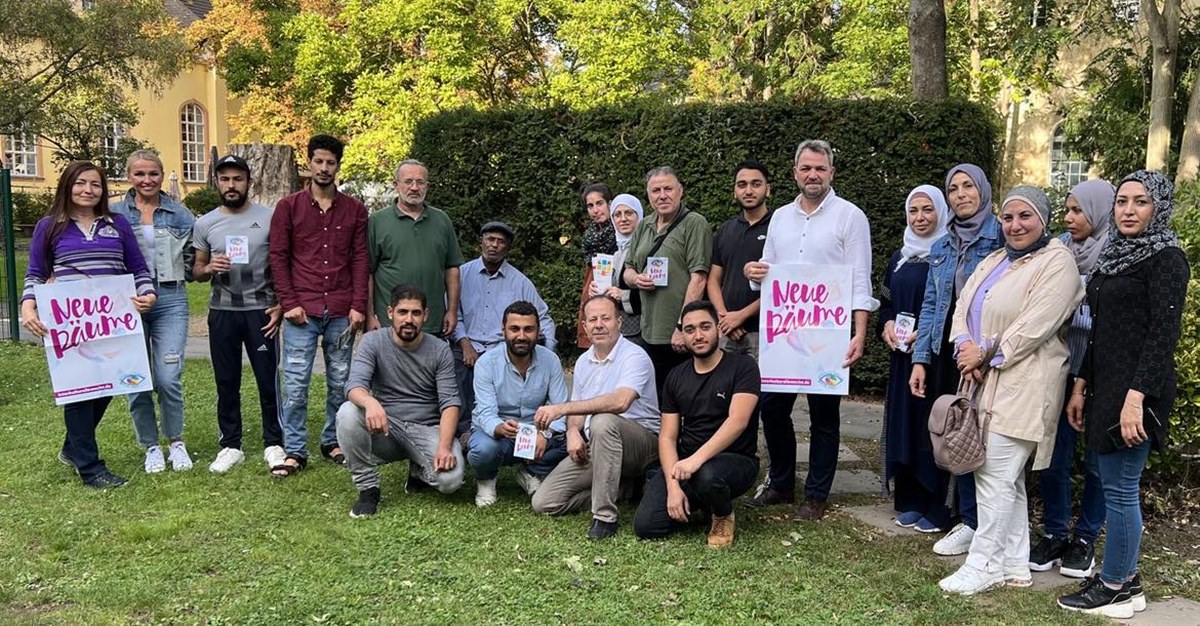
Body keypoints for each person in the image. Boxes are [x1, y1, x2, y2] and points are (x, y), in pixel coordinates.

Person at [936, 186, 1083, 595]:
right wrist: (964, 345)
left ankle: (982, 564)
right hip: (983, 381)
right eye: (1008, 218)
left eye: (1025, 217)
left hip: (1025, 383)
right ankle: (1015, 565)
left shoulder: (1058, 264)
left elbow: (1034, 326)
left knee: (995, 475)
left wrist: (982, 354)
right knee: (1004, 478)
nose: (1015, 225)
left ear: (1043, 220)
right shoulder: (997, 259)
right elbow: (964, 304)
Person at [1057, 170, 1189, 618]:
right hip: (1105, 387)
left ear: (1159, 208)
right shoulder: (1115, 255)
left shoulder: (1167, 259)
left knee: (1121, 489)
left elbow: (1162, 337)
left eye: (1141, 202)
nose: (1128, 211)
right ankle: (1123, 577)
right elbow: (1097, 333)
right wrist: (1080, 385)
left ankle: (1116, 586)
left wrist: (1136, 399)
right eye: (1122, 202)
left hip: (1137, 392)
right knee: (1114, 484)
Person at [744, 140, 877, 520]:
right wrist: (753, 273)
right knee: (771, 409)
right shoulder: (782, 217)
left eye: (820, 168)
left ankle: (816, 494)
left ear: (832, 172)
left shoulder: (851, 217)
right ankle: (783, 484)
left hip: (828, 335)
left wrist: (859, 333)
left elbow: (860, 280)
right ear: (795, 172)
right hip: (784, 333)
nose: (813, 175)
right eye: (806, 168)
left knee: (824, 416)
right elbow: (768, 269)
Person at [20, 161, 157, 488]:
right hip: (69, 323)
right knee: (80, 391)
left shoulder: (118, 224)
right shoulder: (49, 226)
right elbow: (36, 273)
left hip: (111, 321)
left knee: (109, 385)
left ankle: (72, 448)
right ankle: (90, 468)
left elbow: (137, 268)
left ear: (103, 189)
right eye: (80, 183)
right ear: (67, 186)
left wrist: (147, 294)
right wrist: (28, 308)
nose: (88, 190)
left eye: (95, 184)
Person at [908, 163, 1003, 556]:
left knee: (984, 434)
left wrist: (985, 351)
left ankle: (983, 521)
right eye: (954, 188)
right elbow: (932, 304)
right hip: (949, 349)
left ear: (983, 190)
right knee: (956, 428)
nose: (961, 194)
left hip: (988, 352)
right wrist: (920, 359)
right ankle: (964, 518)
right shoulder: (941, 246)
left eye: (968, 186)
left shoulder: (1002, 237)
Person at [1028, 179, 1115, 577]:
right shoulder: (1058, 249)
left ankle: (1085, 538)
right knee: (1054, 456)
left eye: (1078, 211)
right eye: (1067, 210)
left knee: (1097, 461)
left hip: (1100, 370)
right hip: (1060, 367)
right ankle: (1056, 532)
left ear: (1099, 212)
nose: (1070, 218)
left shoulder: (1117, 253)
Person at [269, 134, 369, 476]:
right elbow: (278, 257)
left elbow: (360, 259)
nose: (324, 168)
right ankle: (295, 449)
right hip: (302, 311)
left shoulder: (355, 209)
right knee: (295, 383)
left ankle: (333, 440)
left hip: (342, 310)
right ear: (309, 163)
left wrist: (359, 304)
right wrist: (289, 302)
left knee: (340, 382)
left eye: (331, 163)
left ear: (338, 166)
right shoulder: (289, 207)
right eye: (319, 161)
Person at [530, 295, 661, 539]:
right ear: (585, 327)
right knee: (544, 503)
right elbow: (580, 410)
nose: (599, 324)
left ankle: (604, 517)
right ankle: (623, 488)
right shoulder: (583, 362)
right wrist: (571, 432)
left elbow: (621, 402)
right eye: (593, 320)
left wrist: (561, 409)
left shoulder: (635, 356)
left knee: (603, 420)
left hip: (642, 446)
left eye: (606, 318)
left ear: (619, 322)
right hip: (599, 445)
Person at [633, 301, 761, 547]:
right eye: (690, 330)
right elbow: (668, 437)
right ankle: (701, 501)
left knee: (707, 475)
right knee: (647, 526)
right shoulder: (676, 376)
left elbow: (738, 421)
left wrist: (695, 460)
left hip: (735, 460)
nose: (698, 335)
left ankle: (723, 513)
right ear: (682, 334)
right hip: (687, 464)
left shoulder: (743, 367)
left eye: (705, 327)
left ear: (718, 329)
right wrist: (672, 486)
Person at [336, 284, 465, 518]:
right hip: (386, 426)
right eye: (403, 312)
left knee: (451, 481)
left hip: (426, 428)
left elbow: (450, 402)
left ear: (425, 315)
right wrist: (371, 403)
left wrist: (444, 447)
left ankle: (419, 470)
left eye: (416, 313)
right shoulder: (372, 342)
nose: (409, 319)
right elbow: (354, 386)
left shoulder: (439, 350)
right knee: (347, 412)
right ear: (390, 313)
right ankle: (368, 488)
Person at [192, 154, 286, 474]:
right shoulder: (205, 223)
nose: (231, 185)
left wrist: (282, 304)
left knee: (267, 379)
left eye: (238, 179)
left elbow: (283, 265)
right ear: (217, 182)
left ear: (249, 182)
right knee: (226, 381)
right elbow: (198, 271)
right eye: (225, 179)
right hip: (223, 311)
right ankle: (231, 445)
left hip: (261, 310)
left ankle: (274, 442)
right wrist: (209, 267)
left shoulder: (271, 217)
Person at [109, 150, 195, 473]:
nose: (147, 180)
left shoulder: (180, 213)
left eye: (153, 174)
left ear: (162, 175)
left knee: (169, 376)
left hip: (170, 300)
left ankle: (176, 441)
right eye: (140, 174)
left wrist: (188, 270)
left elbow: (194, 254)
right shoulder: (114, 214)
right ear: (129, 176)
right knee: (135, 378)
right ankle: (151, 447)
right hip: (126, 302)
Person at [878, 185, 953, 533]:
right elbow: (888, 303)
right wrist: (888, 326)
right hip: (902, 356)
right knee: (904, 423)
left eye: (928, 210)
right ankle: (907, 498)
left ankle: (935, 504)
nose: (920, 218)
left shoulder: (948, 254)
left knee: (932, 424)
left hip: (935, 356)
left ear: (941, 212)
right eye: (914, 211)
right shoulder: (899, 257)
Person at [454, 221, 556, 434]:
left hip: (503, 348)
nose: (494, 245)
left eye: (501, 242)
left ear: (507, 248)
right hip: (466, 343)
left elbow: (543, 317)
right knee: (455, 369)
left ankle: (504, 428)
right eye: (490, 239)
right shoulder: (462, 274)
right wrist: (465, 344)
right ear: (480, 242)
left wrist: (548, 353)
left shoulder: (520, 282)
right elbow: (454, 313)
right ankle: (464, 432)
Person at [467, 301, 569, 507]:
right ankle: (486, 480)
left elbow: (561, 409)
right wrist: (499, 428)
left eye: (528, 329)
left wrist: (544, 434)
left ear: (538, 331)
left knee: (575, 442)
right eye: (514, 329)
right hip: (499, 431)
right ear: (503, 330)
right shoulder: (486, 363)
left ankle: (530, 472)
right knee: (482, 450)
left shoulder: (550, 360)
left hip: (536, 433)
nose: (521, 336)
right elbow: (485, 413)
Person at [622, 167, 713, 393]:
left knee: (684, 398)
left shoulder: (694, 223)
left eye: (668, 189)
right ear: (648, 195)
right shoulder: (644, 225)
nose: (662, 195)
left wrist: (683, 326)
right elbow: (627, 270)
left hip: (678, 333)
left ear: (680, 191)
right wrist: (637, 279)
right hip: (648, 330)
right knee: (658, 400)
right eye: (656, 190)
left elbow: (699, 278)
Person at [367, 159, 463, 339]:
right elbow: (367, 272)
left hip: (433, 322)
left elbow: (452, 269)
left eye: (420, 182)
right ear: (396, 185)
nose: (414, 187)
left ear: (427, 186)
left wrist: (452, 311)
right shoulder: (377, 222)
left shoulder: (442, 220)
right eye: (408, 181)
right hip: (390, 324)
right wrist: (370, 315)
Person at [708, 160, 772, 357]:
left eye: (756, 184)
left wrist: (741, 316)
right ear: (734, 191)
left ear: (768, 189)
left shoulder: (780, 227)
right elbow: (713, 280)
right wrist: (725, 318)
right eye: (742, 185)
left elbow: (785, 284)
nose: (749, 190)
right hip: (727, 333)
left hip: (766, 333)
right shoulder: (726, 230)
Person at [594, 194, 643, 340]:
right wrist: (597, 290)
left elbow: (656, 293)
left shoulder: (646, 249)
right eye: (617, 214)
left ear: (639, 216)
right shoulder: (612, 250)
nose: (623, 219)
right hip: (614, 329)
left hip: (639, 330)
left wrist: (623, 295)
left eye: (629, 213)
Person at [577, 183, 617, 349]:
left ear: (610, 204)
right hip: (593, 285)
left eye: (599, 203)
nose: (595, 210)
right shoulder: (590, 236)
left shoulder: (620, 231)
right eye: (590, 206)